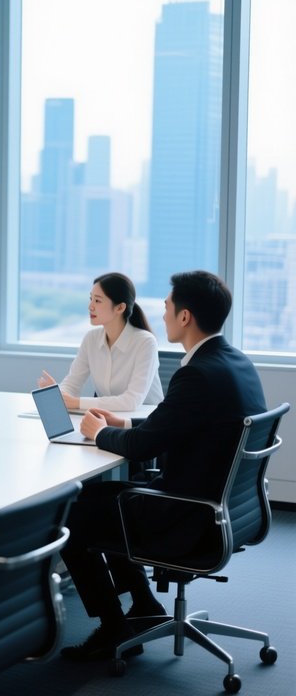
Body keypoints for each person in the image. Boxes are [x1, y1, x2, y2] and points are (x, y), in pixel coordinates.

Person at [58, 270, 267, 662]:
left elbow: (141, 448)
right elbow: (173, 426)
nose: (163, 312)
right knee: (102, 500)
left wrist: (101, 433)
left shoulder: (196, 374)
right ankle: (144, 602)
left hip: (189, 515)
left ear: (185, 317)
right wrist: (126, 423)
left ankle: (113, 626)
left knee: (74, 513)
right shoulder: (235, 362)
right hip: (228, 510)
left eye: (169, 306)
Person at [37, 272, 163, 412]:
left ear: (120, 308)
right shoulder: (91, 339)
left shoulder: (145, 342)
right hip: (109, 421)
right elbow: (72, 384)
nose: (90, 306)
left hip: (145, 424)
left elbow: (131, 401)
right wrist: (58, 395)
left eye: (97, 301)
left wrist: (76, 403)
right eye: (91, 299)